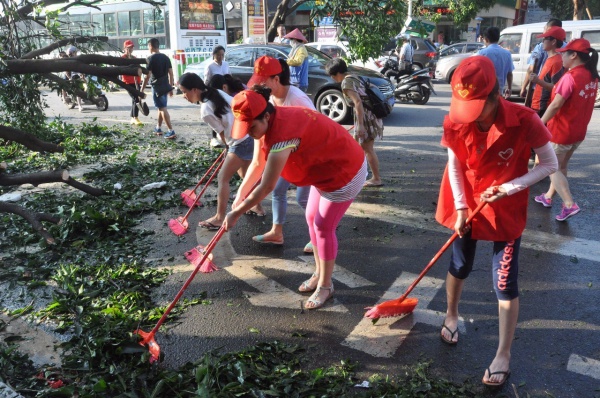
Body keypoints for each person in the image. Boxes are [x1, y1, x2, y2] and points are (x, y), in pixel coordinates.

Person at [436, 56, 557, 387]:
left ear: (496, 94)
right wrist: (461, 207)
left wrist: (509, 187)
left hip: (504, 206)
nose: (471, 115)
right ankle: (451, 315)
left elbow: (550, 164)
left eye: (478, 106)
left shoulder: (525, 119)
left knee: (504, 282)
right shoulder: (456, 118)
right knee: (459, 265)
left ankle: (503, 353)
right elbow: (455, 164)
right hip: (466, 201)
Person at [223, 87, 367, 310]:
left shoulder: (282, 134)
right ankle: (319, 273)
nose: (249, 132)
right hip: (324, 170)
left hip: (345, 171)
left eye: (251, 127)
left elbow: (267, 186)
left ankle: (326, 286)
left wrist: (237, 212)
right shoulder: (264, 123)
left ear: (267, 116)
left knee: (322, 226)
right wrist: (241, 193)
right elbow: (257, 163)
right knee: (311, 218)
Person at [244, 56, 314, 254]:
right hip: (287, 154)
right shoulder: (272, 98)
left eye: (263, 80)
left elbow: (314, 129)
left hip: (309, 155)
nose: (259, 85)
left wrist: (239, 206)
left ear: (276, 79)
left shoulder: (298, 99)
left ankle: (318, 235)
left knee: (303, 198)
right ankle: (277, 232)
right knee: (277, 190)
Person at [177, 73, 264, 230]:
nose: (184, 96)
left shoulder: (205, 109)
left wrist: (228, 149)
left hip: (239, 142)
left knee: (222, 177)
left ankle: (219, 217)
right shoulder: (216, 91)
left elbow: (223, 134)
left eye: (184, 91)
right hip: (250, 134)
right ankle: (256, 207)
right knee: (245, 175)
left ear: (194, 89)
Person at [535, 39, 599, 221]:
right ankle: (548, 197)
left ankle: (569, 204)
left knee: (550, 167)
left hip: (561, 132)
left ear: (574, 55)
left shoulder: (570, 77)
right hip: (577, 132)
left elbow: (555, 105)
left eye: (564, 53)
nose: (561, 56)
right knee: (561, 166)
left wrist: (539, 123)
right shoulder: (592, 76)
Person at [326, 57, 383, 187]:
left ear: (337, 73)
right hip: (370, 115)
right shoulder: (354, 76)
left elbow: (358, 102)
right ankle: (355, 175)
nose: (332, 78)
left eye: (332, 75)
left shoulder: (346, 83)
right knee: (357, 147)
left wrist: (361, 125)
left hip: (366, 118)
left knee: (367, 148)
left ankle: (376, 178)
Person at [140, 38, 176, 139]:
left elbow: (147, 76)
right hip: (165, 85)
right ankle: (158, 127)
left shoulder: (150, 59)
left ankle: (171, 130)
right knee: (161, 107)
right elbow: (171, 74)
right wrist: (170, 87)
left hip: (157, 87)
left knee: (162, 108)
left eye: (148, 46)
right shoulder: (166, 57)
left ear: (151, 46)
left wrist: (142, 89)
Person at [520, 19, 563, 98]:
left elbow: (531, 68)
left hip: (541, 93)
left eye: (544, 28)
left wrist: (524, 87)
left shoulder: (542, 48)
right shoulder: (565, 48)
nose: (543, 40)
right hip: (551, 94)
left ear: (549, 28)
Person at [529, 26, 566, 117]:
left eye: (545, 39)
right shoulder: (550, 59)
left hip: (544, 107)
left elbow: (557, 89)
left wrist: (538, 81)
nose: (542, 42)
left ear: (553, 42)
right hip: (538, 105)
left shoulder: (557, 61)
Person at [477, 27, 514, 99]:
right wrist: (509, 88)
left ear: (486, 39)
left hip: (485, 92)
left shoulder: (482, 53)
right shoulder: (507, 53)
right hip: (499, 92)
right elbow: (509, 74)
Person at [120, 40, 143, 126]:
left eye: (132, 47)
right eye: (129, 47)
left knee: (135, 99)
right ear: (125, 48)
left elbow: (138, 70)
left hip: (136, 82)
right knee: (135, 99)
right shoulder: (122, 58)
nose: (131, 49)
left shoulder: (135, 58)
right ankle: (135, 117)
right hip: (127, 82)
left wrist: (138, 81)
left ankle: (132, 117)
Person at [65, 46, 84, 112]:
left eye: (75, 52)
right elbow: (67, 72)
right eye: (74, 52)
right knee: (78, 90)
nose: (75, 54)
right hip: (74, 77)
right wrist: (70, 78)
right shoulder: (68, 61)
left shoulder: (79, 59)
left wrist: (83, 75)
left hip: (81, 76)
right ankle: (80, 106)